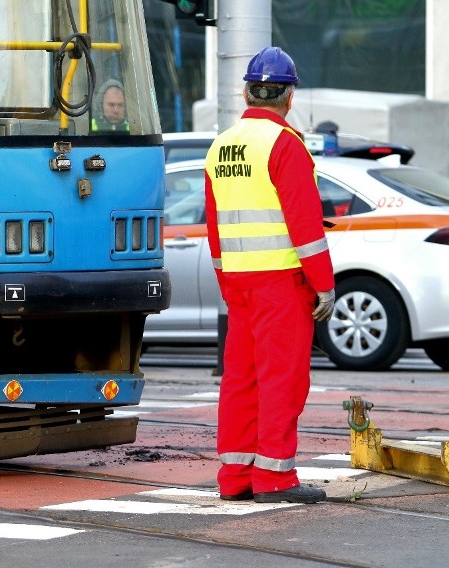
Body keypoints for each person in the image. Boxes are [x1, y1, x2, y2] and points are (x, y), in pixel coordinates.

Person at [203, 47, 335, 504]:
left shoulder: (221, 145)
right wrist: (324, 285)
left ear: (246, 91)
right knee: (282, 378)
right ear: (289, 96)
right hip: (280, 282)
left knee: (241, 378)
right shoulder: (285, 145)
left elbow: (215, 226)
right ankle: (275, 478)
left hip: (238, 282)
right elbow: (306, 227)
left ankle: (235, 475)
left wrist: (226, 281)